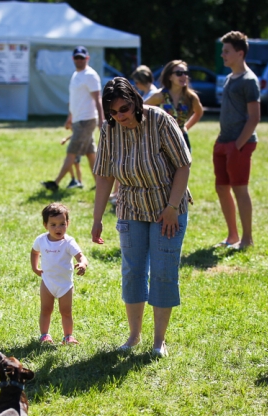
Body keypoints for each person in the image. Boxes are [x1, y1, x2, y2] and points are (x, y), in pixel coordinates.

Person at [92, 78, 191, 357]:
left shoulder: (160, 120)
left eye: (123, 109)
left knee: (162, 271)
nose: (119, 116)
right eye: (113, 112)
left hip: (166, 207)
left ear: (135, 100)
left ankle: (159, 341)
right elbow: (104, 175)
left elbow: (183, 165)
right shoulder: (109, 129)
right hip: (131, 205)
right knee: (132, 271)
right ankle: (133, 336)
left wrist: (172, 207)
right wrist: (97, 218)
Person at [214, 31, 261, 249]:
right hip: (224, 141)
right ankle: (232, 236)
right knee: (222, 187)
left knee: (239, 189)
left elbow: (254, 117)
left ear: (240, 53)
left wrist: (237, 145)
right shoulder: (229, 78)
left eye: (226, 51)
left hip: (239, 143)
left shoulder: (249, 80)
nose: (222, 55)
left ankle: (247, 239)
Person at [42, 46, 105, 191]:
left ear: (87, 58)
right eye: (77, 57)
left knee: (71, 152)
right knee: (90, 154)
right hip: (78, 120)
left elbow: (98, 99)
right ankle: (100, 184)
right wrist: (70, 117)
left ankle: (56, 183)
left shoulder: (90, 75)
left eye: (82, 58)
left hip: (86, 120)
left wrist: (101, 120)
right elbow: (75, 99)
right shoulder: (76, 75)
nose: (79, 60)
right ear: (73, 59)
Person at [31, 203, 88, 345]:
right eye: (53, 224)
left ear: (67, 223)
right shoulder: (41, 240)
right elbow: (34, 252)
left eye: (62, 224)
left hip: (65, 285)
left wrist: (82, 263)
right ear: (46, 225)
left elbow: (81, 256)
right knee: (46, 310)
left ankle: (68, 336)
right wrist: (35, 267)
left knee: (66, 312)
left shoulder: (68, 242)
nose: (58, 228)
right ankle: (44, 335)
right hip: (47, 282)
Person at [145, 60, 204, 151]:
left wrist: (186, 127)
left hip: (182, 139)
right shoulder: (159, 96)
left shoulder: (190, 97)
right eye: (179, 73)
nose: (184, 76)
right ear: (170, 77)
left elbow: (199, 112)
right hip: (162, 141)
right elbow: (141, 109)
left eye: (185, 73)